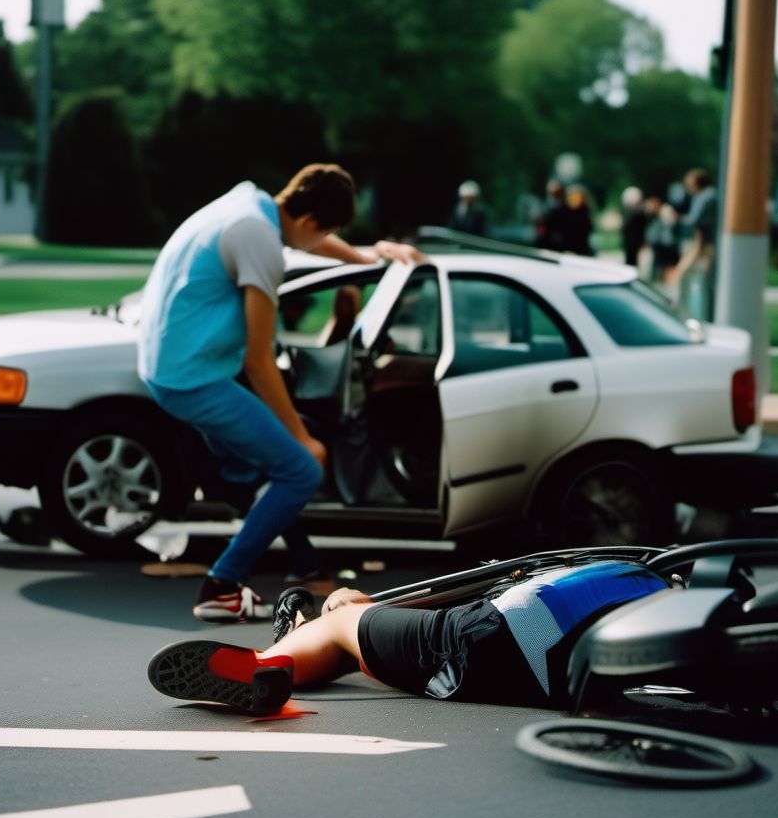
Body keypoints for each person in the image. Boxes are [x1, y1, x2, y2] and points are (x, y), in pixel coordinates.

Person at [137, 163, 422, 623]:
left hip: (168, 365)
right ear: (311, 221)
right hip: (194, 379)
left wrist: (368, 259)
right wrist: (302, 440)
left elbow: (307, 236)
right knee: (300, 470)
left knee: (256, 468)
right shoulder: (261, 243)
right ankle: (222, 586)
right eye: (325, 231)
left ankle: (305, 562)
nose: (323, 240)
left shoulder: (251, 204)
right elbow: (258, 359)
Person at [147, 561, 669, 714]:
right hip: (539, 667)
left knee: (342, 617)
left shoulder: (640, 571)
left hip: (497, 631)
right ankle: (304, 645)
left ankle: (269, 657)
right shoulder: (676, 602)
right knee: (361, 636)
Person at [668, 167, 718, 317]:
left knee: (684, 276)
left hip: (703, 242)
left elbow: (694, 220)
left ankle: (680, 311)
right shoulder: (709, 195)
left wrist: (676, 218)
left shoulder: (705, 196)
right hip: (703, 241)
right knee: (696, 278)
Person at [534, 179, 568, 250]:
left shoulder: (569, 211)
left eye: (557, 193)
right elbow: (540, 233)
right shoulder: (544, 210)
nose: (554, 196)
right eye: (552, 193)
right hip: (547, 248)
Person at [562, 184, 594, 256]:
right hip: (568, 246)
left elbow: (589, 228)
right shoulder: (564, 211)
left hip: (582, 247)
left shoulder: (585, 211)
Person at [620, 186, 647, 266]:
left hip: (635, 241)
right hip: (629, 241)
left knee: (633, 261)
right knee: (630, 260)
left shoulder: (639, 214)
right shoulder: (629, 214)